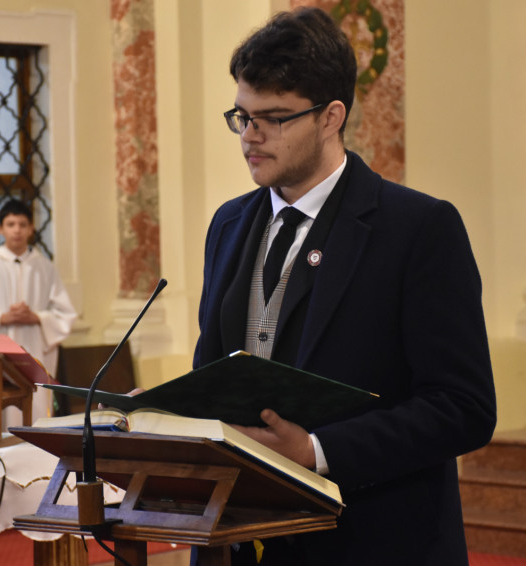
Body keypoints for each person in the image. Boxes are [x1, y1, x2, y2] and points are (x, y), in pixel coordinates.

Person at [193, 8, 497, 565]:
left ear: (331, 116)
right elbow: (215, 374)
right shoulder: (228, 224)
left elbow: (464, 407)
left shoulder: (418, 229)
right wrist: (161, 417)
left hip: (371, 540)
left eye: (273, 118)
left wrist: (317, 450)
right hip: (238, 541)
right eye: (243, 116)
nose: (251, 136)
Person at [0, 198, 77, 426]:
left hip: (36, 347)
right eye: (11, 224)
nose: (17, 230)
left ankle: (39, 443)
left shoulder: (45, 267)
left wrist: (37, 317)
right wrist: (1, 318)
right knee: (3, 407)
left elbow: (65, 313)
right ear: (0, 229)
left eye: (23, 225)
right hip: (1, 348)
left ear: (31, 228)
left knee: (38, 405)